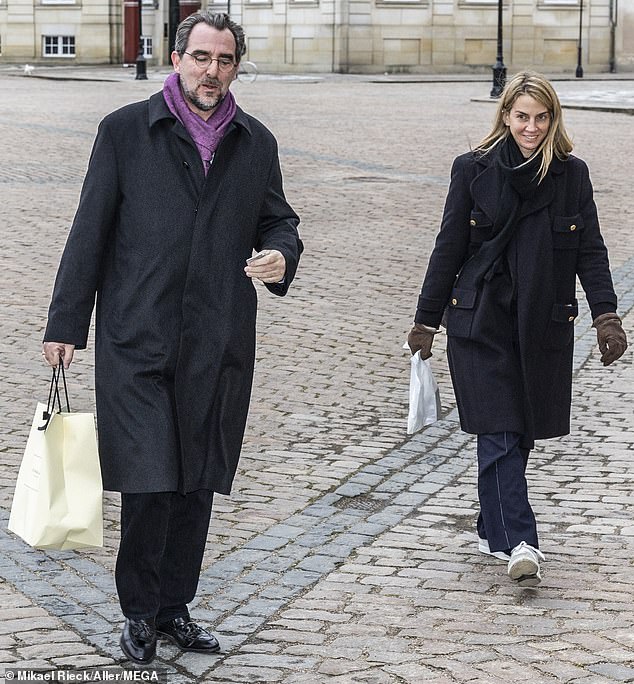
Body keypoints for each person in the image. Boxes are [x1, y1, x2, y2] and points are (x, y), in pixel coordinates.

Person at [42, 11, 303, 664]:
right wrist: (65, 324)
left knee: (195, 480)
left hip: (217, 339)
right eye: (201, 57)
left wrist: (280, 255)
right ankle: (139, 612)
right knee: (150, 480)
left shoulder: (255, 142)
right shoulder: (126, 132)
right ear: (176, 56)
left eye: (225, 61)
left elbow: (280, 220)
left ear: (236, 67)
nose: (212, 71)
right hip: (138, 337)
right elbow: (90, 230)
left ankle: (174, 608)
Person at [407, 71, 627, 587]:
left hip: (541, 324)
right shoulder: (472, 169)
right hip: (479, 318)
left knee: (518, 431)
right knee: (501, 429)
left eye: (541, 117)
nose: (531, 127)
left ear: (553, 120)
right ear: (505, 116)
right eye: (522, 116)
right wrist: (425, 321)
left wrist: (606, 315)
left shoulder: (572, 176)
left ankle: (492, 523)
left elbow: (591, 250)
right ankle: (521, 541)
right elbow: (448, 249)